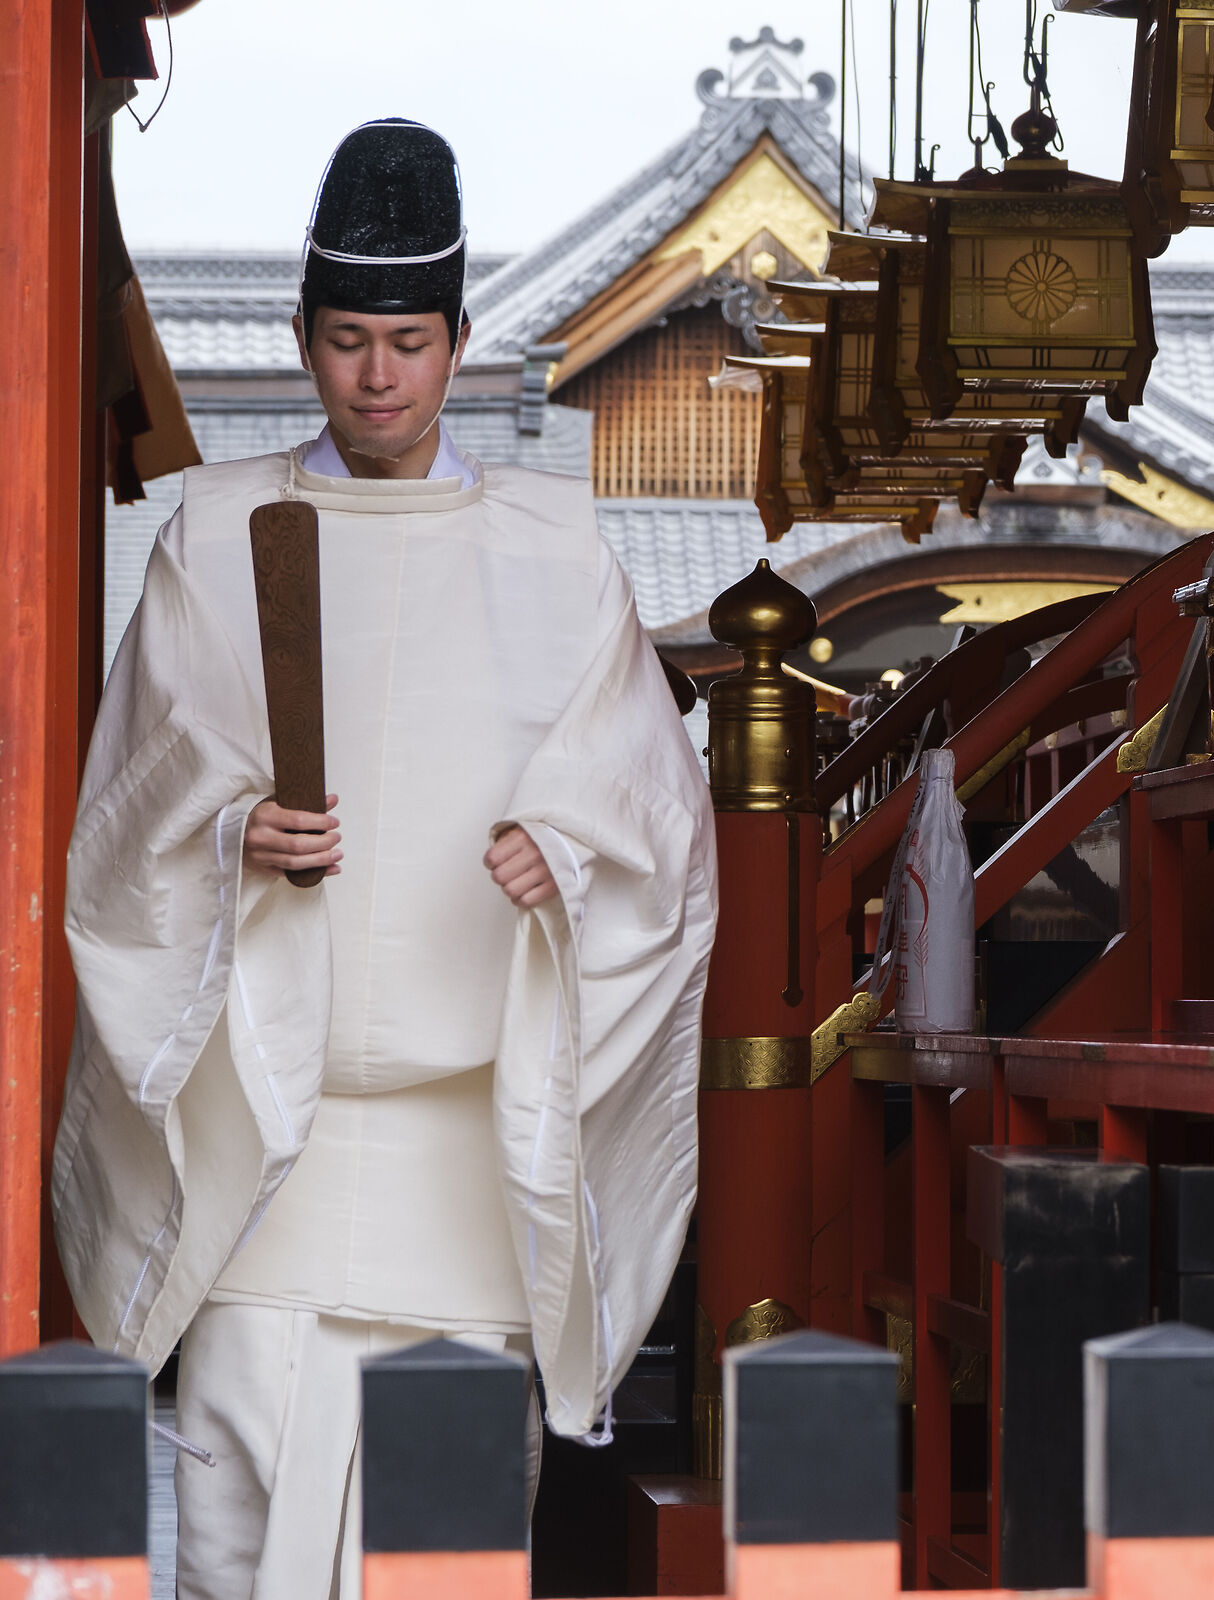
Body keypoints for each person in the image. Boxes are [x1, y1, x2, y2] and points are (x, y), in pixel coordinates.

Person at [50, 119, 717, 1600]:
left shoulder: (558, 556)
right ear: (300, 338)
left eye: (406, 341)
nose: (375, 376)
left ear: (460, 341)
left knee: (445, 1556)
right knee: (239, 1552)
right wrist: (228, 836)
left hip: (466, 1169)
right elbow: (122, 821)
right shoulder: (218, 537)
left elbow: (660, 834)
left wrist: (571, 860)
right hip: (267, 1157)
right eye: (346, 339)